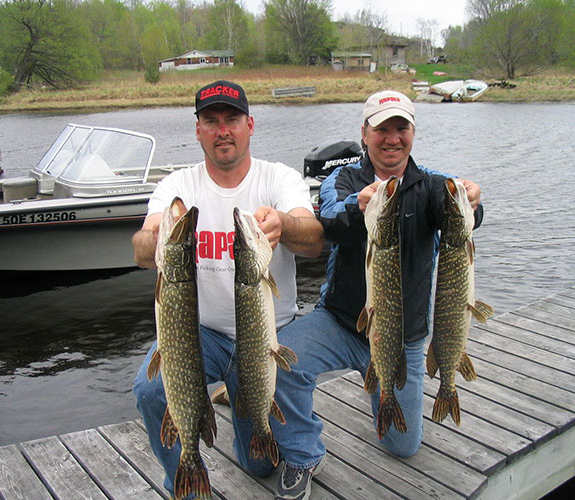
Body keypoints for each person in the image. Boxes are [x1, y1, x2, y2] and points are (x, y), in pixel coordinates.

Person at [262, 89, 484, 500]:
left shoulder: (434, 184)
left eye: (402, 128)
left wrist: (471, 200)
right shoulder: (342, 179)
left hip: (404, 336)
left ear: (413, 134)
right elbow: (327, 222)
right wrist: (356, 206)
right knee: (278, 363)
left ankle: (380, 388)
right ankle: (304, 451)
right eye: (382, 129)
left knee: (403, 445)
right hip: (342, 321)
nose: (392, 138)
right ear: (365, 133)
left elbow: (461, 222)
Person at [131, 80, 324, 499]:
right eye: (211, 120)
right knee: (150, 390)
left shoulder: (279, 178)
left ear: (249, 125)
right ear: (197, 129)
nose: (223, 130)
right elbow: (143, 249)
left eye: (232, 119)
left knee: (257, 463)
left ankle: (243, 407)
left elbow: (313, 240)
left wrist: (285, 226)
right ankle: (180, 477)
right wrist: (158, 239)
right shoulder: (177, 184)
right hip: (199, 336)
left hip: (267, 337)